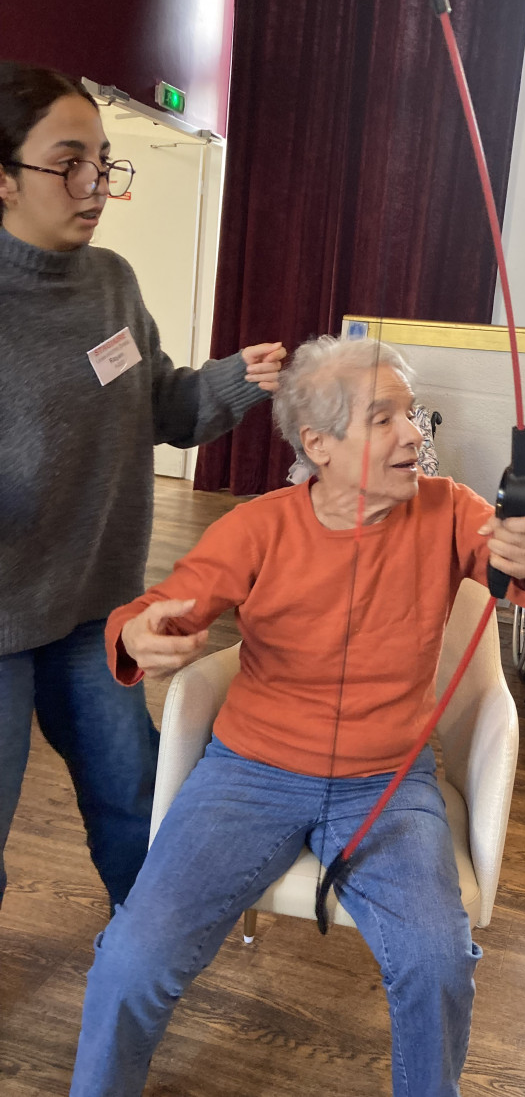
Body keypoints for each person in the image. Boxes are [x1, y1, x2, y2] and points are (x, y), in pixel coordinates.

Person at [69, 335, 525, 1097]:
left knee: (436, 963)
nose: (415, 434)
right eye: (385, 419)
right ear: (319, 443)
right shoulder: (259, 525)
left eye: (412, 416)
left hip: (389, 780)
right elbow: (158, 608)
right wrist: (138, 634)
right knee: (130, 958)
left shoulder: (452, 511)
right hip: (247, 774)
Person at [0, 62, 285, 912]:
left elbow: (161, 406)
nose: (95, 186)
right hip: (2, 619)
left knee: (133, 797)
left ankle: (145, 952)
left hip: (95, 609)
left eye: (104, 162)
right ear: (4, 178)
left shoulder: (112, 281)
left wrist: (237, 379)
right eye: (69, 162)